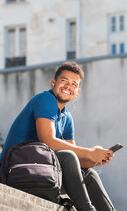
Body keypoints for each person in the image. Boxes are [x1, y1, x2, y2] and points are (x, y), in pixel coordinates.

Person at [0, 62, 116, 211]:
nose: (68, 86)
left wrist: (94, 159)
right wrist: (89, 152)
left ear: (77, 92)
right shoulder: (45, 99)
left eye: (74, 84)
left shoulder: (67, 118)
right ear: (53, 83)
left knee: (89, 173)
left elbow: (75, 162)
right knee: (67, 156)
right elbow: (47, 141)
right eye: (64, 81)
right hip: (13, 171)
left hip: (42, 172)